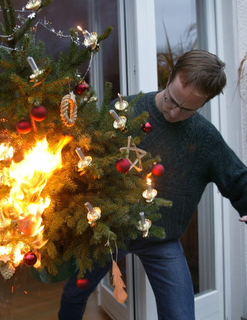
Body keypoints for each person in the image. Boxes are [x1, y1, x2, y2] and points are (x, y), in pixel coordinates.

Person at [58, 50, 247, 320]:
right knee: (74, 293)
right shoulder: (125, 111)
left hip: (162, 239)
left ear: (204, 104)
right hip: (111, 231)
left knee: (180, 315)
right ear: (169, 77)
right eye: (172, 99)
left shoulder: (205, 138)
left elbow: (239, 179)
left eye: (186, 109)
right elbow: (85, 156)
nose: (173, 111)